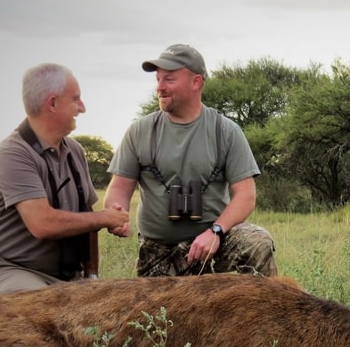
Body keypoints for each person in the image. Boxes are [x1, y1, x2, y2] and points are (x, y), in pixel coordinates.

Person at [104, 43, 277, 277]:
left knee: (258, 243)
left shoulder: (226, 131)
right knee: (155, 313)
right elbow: (119, 188)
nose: (160, 87)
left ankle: (263, 313)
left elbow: (246, 195)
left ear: (196, 82)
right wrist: (116, 213)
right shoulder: (139, 131)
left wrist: (216, 231)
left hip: (212, 244)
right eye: (158, 79)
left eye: (169, 79)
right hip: (158, 249)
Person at [0, 63, 129, 297]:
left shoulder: (75, 150)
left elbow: (88, 218)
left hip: (67, 277)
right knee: (35, 317)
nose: (83, 108)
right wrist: (105, 217)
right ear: (52, 103)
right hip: (15, 270)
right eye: (76, 99)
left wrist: (92, 278)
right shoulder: (12, 152)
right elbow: (42, 224)